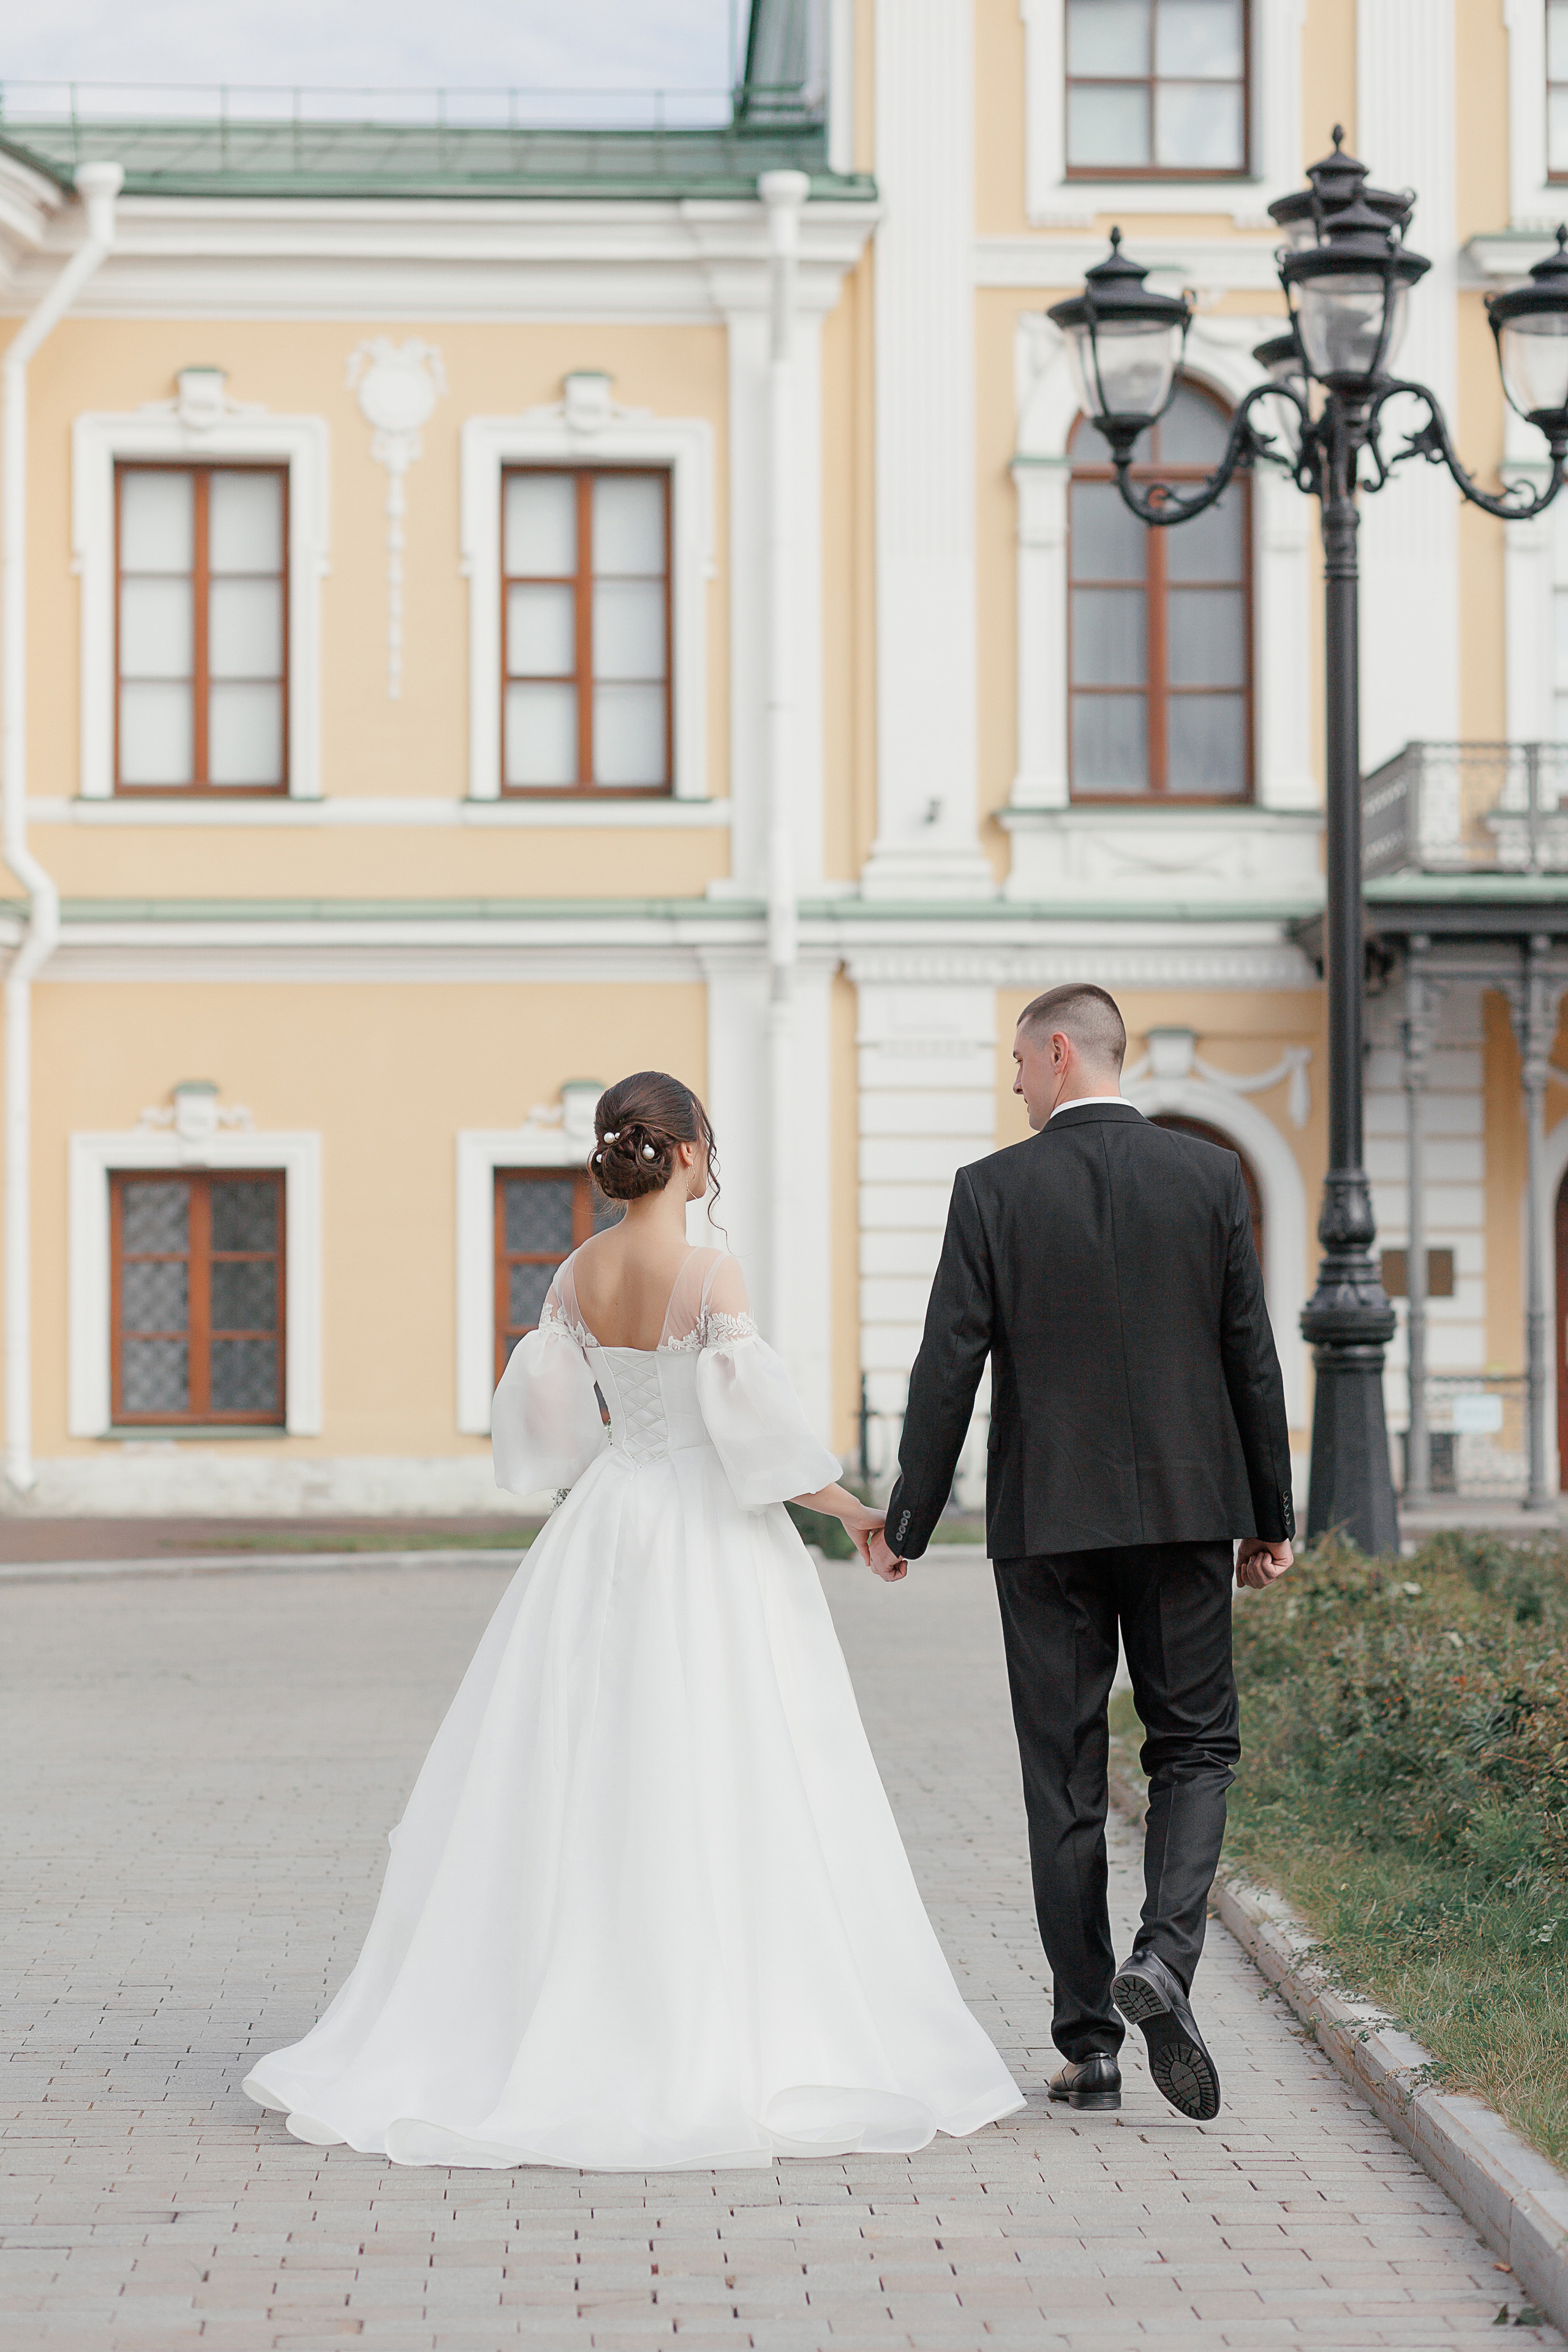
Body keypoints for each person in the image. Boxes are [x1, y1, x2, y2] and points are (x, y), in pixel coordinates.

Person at [244, 1069, 1022, 2171]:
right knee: (734, 1761)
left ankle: (555, 1995)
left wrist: (620, 1445)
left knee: (580, 1762)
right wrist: (857, 1514)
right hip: (709, 1535)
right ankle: (715, 2009)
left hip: (609, 1523)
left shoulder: (576, 1270)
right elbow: (760, 1442)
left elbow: (551, 1427)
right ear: (693, 1155)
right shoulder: (708, 1272)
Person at [870, 986, 1294, 2124]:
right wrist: (1272, 1513)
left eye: (1019, 1062)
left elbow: (945, 1365)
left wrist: (906, 1522)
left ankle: (1090, 2046)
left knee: (1059, 1774)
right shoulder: (1207, 1178)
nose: (1014, 1084)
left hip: (1047, 1526)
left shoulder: (992, 1191)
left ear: (1061, 1051)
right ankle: (1163, 1959)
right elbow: (1248, 1352)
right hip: (1188, 1515)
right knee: (1195, 1746)